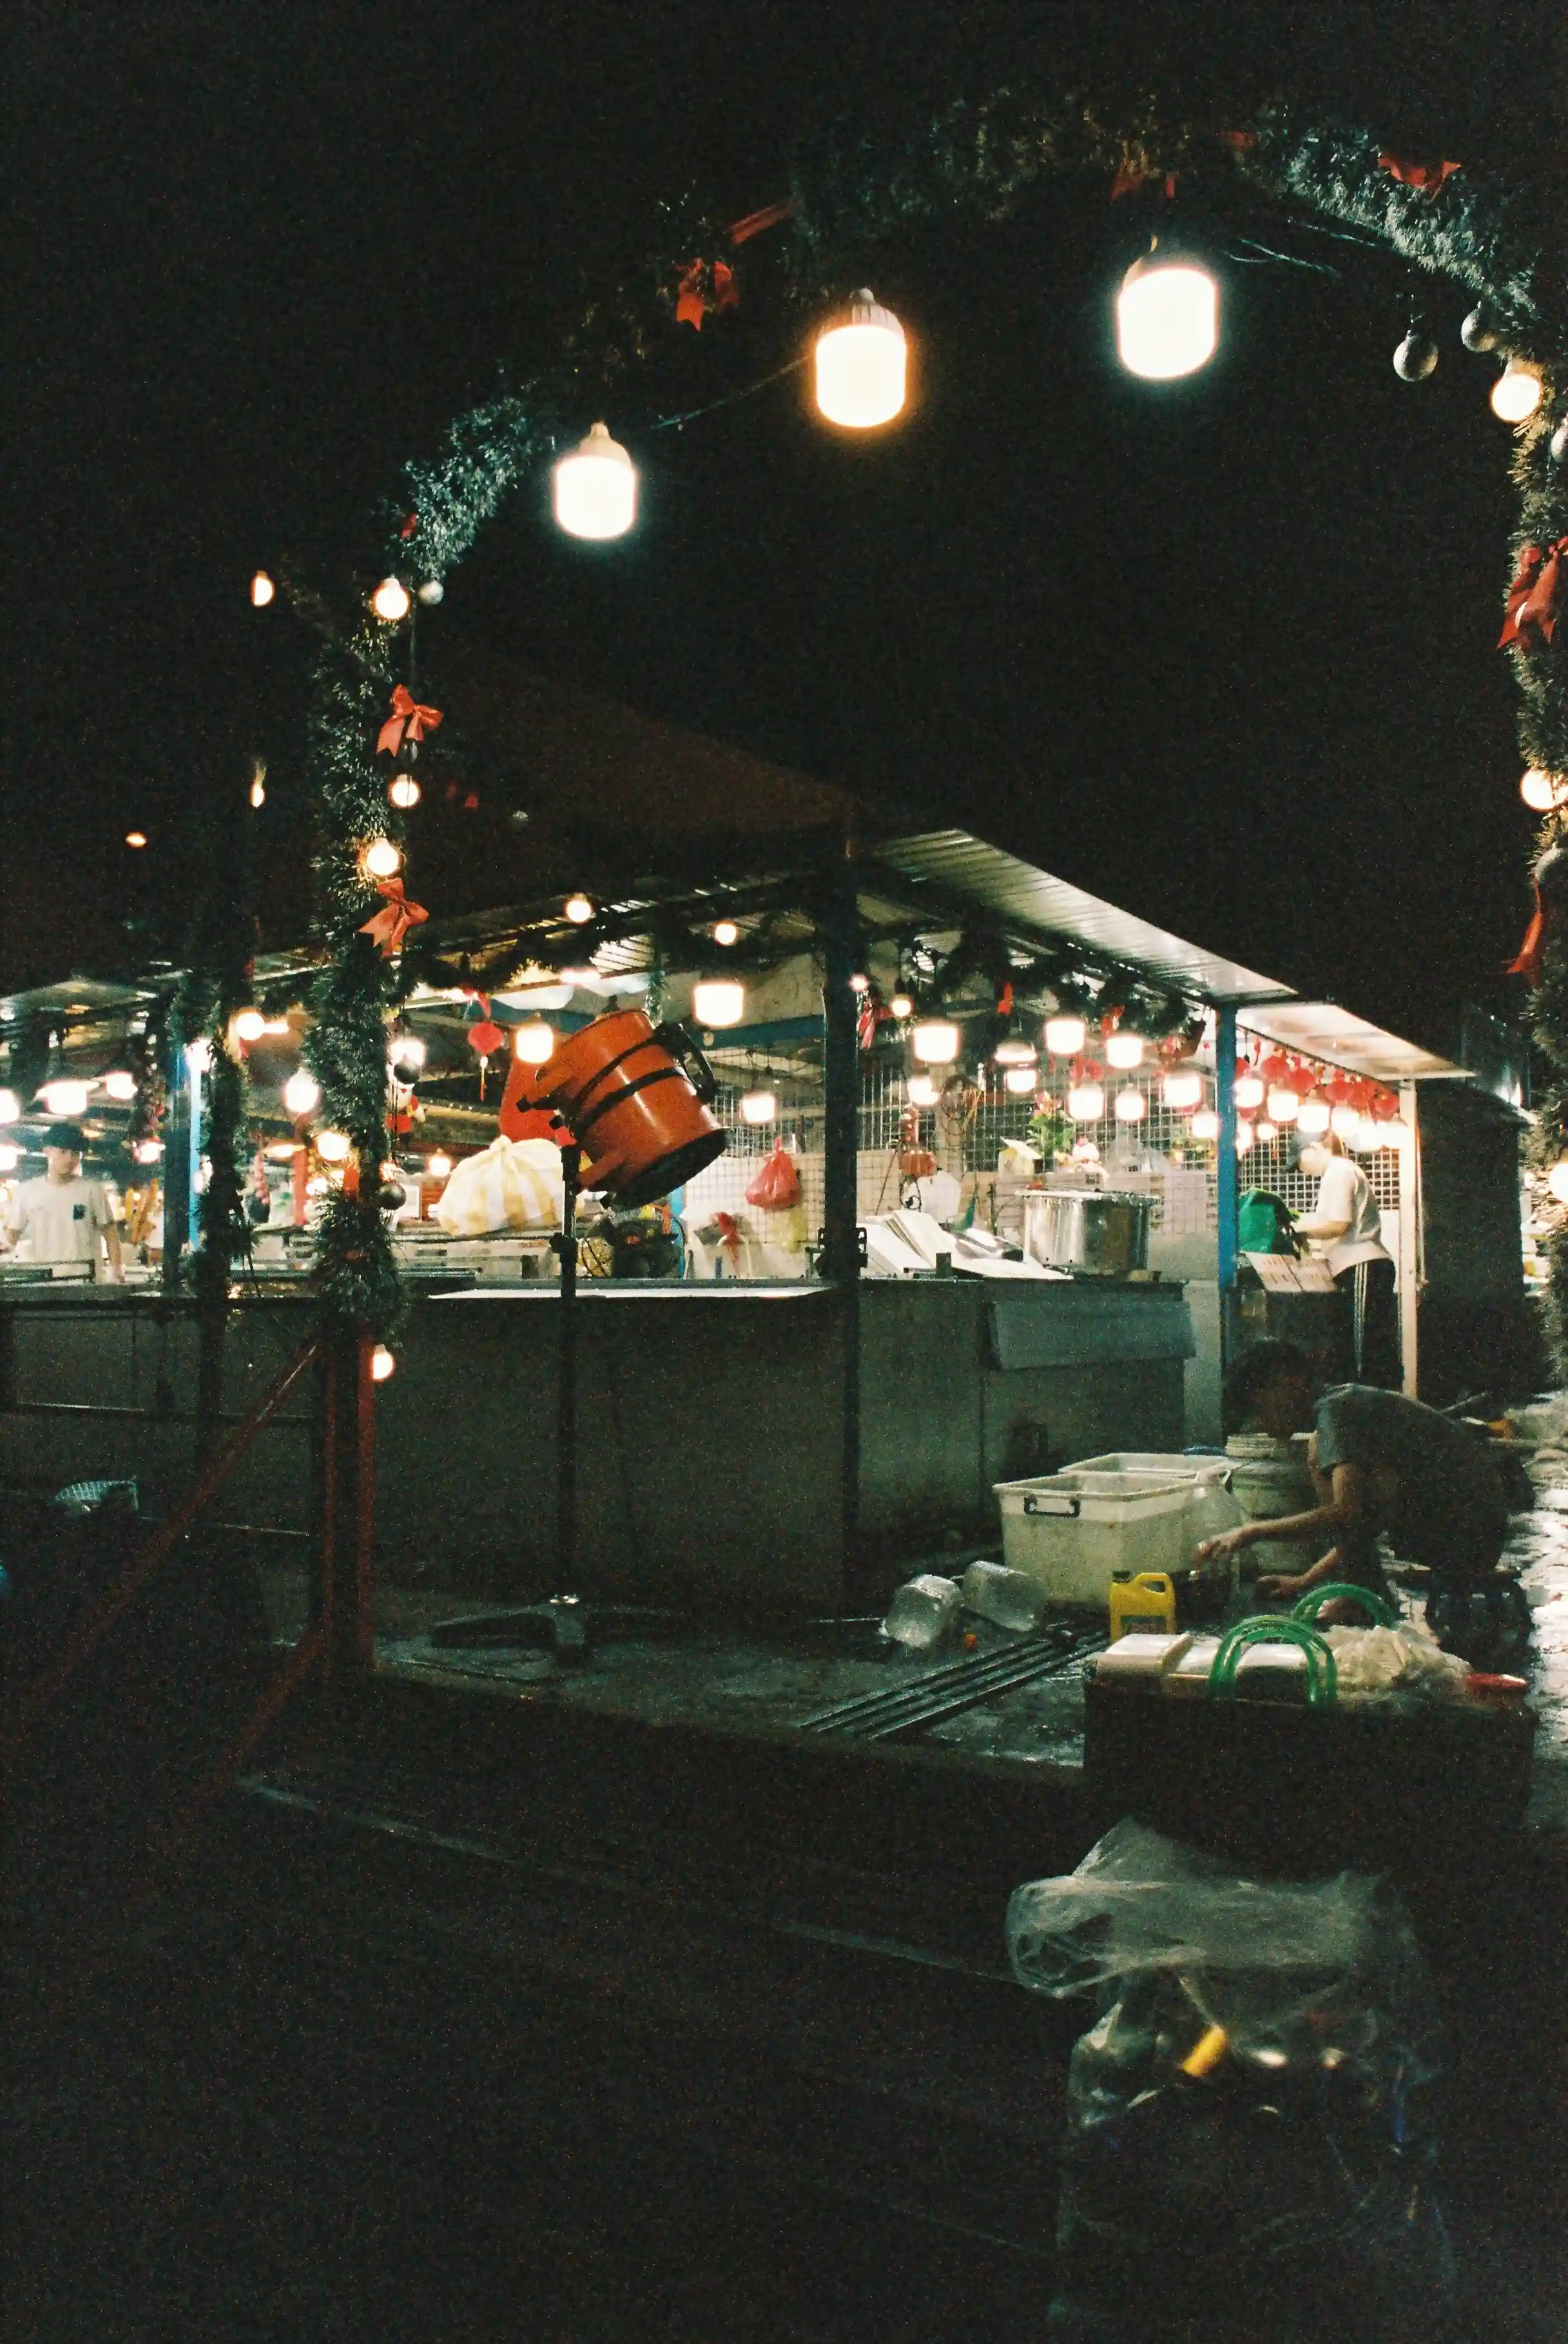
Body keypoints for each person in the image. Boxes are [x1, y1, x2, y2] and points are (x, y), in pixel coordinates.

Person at [1195, 1338, 1509, 1625]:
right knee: (1356, 1482)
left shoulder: (1336, 1413)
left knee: (1324, 1461)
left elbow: (1346, 1514)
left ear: (1289, 1383)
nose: (1259, 1422)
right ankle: (1361, 1591)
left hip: (1463, 1534)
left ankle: (1361, 1597)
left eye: (1259, 1408)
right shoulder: (1346, 1402)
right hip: (1481, 1534)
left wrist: (1252, 1532)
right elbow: (1366, 1521)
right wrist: (1303, 1581)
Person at [1293, 1135, 1400, 1388]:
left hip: (1362, 1265)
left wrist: (1296, 1230)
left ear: (1316, 1147)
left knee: (1363, 1349)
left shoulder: (1338, 1171)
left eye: (1299, 1160)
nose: (1300, 1169)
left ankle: (1368, 1406)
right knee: (1365, 1344)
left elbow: (1338, 1224)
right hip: (1360, 1267)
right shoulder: (1343, 1171)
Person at [1, 1123, 124, 1281]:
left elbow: (111, 1234)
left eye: (75, 1153)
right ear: (47, 1150)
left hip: (86, 1281)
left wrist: (117, 1271)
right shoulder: (27, 1191)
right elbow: (11, 1236)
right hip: (45, 1281)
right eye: (63, 1152)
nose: (69, 1159)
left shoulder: (92, 1190)